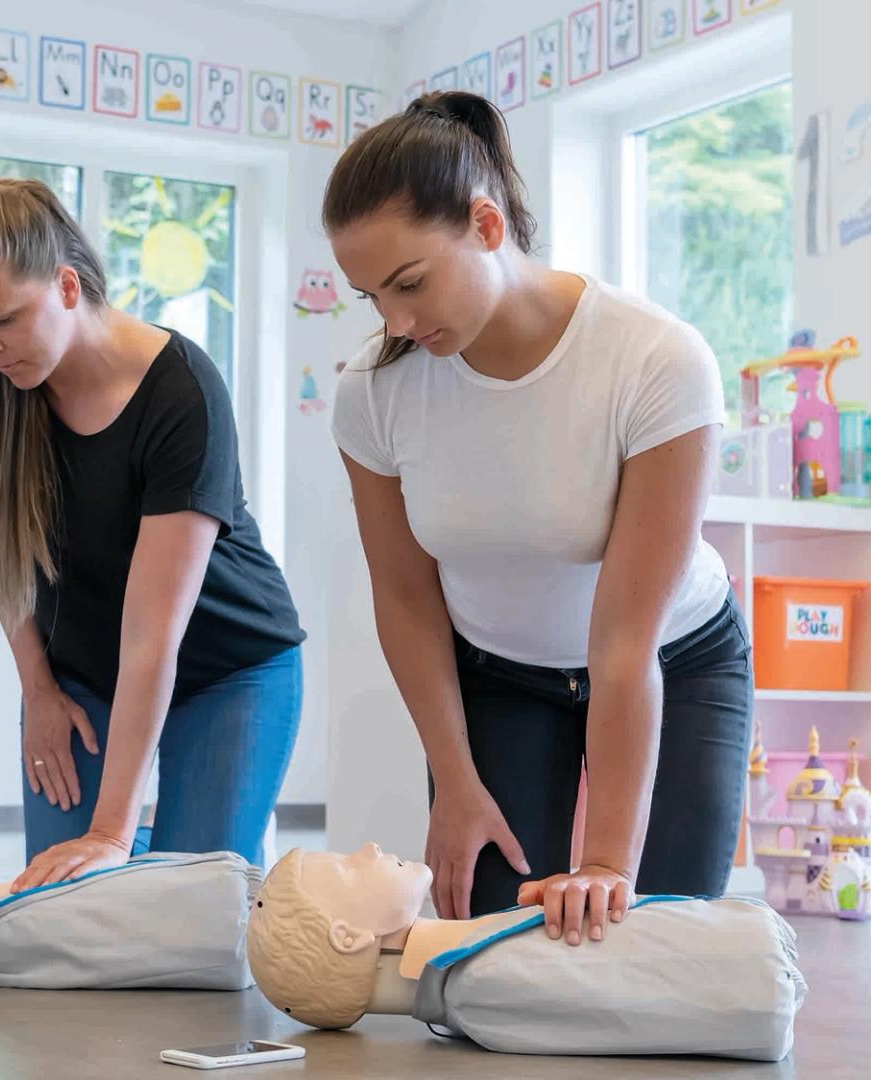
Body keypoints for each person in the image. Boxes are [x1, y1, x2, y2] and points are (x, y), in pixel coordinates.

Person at [324, 92, 754, 945]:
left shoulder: (655, 360)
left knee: (656, 942)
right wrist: (453, 779)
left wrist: (603, 864)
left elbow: (626, 639)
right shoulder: (374, 391)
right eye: (372, 296)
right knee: (496, 951)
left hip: (672, 657)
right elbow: (406, 599)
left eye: (411, 283)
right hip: (501, 676)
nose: (396, 322)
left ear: (488, 225)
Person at [0, 178, 305, 892]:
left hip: (227, 669)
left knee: (185, 910)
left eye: (3, 320)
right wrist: (38, 692)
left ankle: (234, 848)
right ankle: (180, 841)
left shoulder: (180, 388)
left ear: (67, 286)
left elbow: (152, 635)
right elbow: (3, 559)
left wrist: (111, 832)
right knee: (64, 904)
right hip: (82, 675)